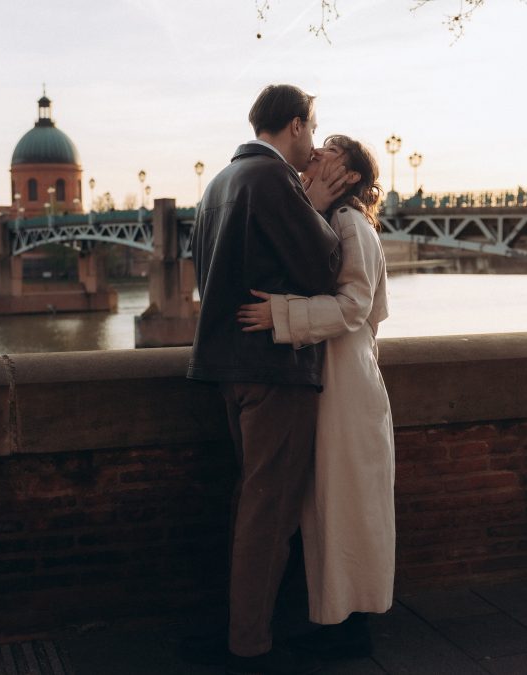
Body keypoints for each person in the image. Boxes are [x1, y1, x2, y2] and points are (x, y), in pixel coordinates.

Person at [187, 84, 348, 675]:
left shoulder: (217, 185)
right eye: (313, 130)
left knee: (250, 502)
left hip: (229, 369)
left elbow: (208, 277)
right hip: (274, 371)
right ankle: (251, 644)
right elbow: (325, 267)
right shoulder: (273, 180)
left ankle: (239, 629)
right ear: (299, 125)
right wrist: (322, 207)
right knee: (270, 511)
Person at [237, 134, 395, 661]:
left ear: (350, 176)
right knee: (333, 502)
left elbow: (355, 306)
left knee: (342, 504)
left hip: (346, 386)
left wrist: (281, 314)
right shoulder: (336, 219)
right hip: (339, 376)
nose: (317, 153)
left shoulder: (350, 224)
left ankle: (346, 629)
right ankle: (339, 624)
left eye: (330, 151)